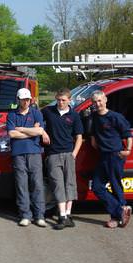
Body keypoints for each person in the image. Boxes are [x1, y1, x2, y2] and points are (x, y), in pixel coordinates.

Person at [41, 88, 83, 230]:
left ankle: (68, 215)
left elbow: (79, 137)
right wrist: (42, 132)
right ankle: (62, 216)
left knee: (70, 184)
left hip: (68, 154)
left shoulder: (75, 115)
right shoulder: (48, 111)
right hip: (52, 154)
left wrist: (74, 153)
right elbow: (37, 121)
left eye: (63, 100)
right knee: (57, 184)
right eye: (58, 100)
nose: (60, 102)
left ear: (69, 100)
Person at [90, 90, 132, 228]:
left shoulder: (115, 117)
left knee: (115, 185)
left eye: (100, 100)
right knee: (97, 186)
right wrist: (93, 141)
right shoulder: (94, 117)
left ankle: (116, 218)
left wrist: (128, 150)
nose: (98, 104)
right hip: (103, 156)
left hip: (115, 155)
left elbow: (127, 134)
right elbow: (93, 134)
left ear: (105, 100)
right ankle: (121, 210)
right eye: (95, 102)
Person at [6, 88, 46, 227]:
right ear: (18, 100)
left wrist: (21, 129)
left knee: (37, 184)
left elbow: (40, 131)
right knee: (21, 185)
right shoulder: (12, 114)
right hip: (18, 153)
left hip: (34, 152)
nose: (26, 102)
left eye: (28, 99)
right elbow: (12, 134)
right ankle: (25, 215)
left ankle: (39, 215)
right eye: (23, 99)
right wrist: (32, 131)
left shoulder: (36, 113)